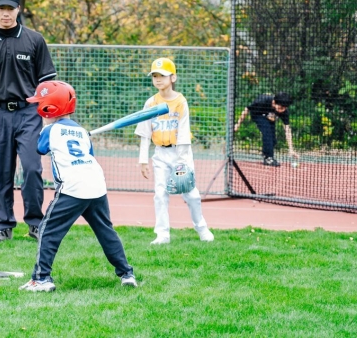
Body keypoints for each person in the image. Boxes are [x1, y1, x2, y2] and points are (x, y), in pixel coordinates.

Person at [19, 81, 137, 292]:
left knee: (47, 231)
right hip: (96, 184)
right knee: (105, 231)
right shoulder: (82, 132)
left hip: (72, 188)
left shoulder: (49, 130)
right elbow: (88, 154)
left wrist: (50, 133)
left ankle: (41, 278)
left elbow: (40, 148)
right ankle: (126, 273)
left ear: (49, 107)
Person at [0, 0, 57, 242]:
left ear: (18, 9)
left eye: (10, 8)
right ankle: (3, 224)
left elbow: (47, 83)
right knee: (2, 171)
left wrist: (50, 117)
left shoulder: (35, 40)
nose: (5, 13)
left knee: (31, 168)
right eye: (1, 8)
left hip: (29, 112)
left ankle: (35, 223)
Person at [134, 58, 214, 245]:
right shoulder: (151, 102)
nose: (158, 79)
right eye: (155, 76)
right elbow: (145, 133)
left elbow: (184, 133)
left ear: (173, 77)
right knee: (160, 193)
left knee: (191, 193)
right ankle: (162, 235)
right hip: (160, 154)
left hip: (180, 153)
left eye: (162, 76)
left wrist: (182, 161)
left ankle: (201, 227)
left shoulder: (180, 102)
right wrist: (143, 160)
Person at [234, 92, 297, 166]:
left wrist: (291, 148)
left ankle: (265, 153)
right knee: (267, 133)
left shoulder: (284, 111)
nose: (282, 111)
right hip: (257, 115)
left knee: (273, 141)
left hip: (270, 117)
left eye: (284, 108)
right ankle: (269, 158)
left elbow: (287, 129)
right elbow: (246, 110)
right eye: (280, 108)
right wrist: (237, 124)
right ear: (274, 102)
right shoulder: (262, 100)